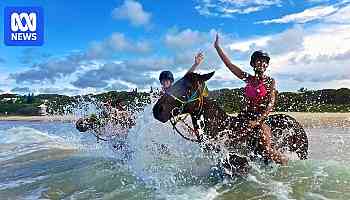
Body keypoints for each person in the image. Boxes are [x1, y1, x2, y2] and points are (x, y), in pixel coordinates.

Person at [214, 34, 288, 165]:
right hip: (245, 116)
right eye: (259, 61)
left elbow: (270, 105)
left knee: (267, 149)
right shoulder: (247, 78)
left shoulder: (270, 81)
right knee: (226, 139)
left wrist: (257, 121)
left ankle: (285, 164)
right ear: (253, 64)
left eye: (264, 61)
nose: (262, 63)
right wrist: (217, 47)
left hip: (261, 119)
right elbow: (229, 65)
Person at [158, 52, 205, 138]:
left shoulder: (176, 89)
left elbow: (186, 76)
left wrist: (195, 64)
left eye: (167, 80)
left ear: (171, 81)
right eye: (163, 81)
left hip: (182, 116)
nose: (165, 82)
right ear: (161, 82)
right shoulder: (160, 95)